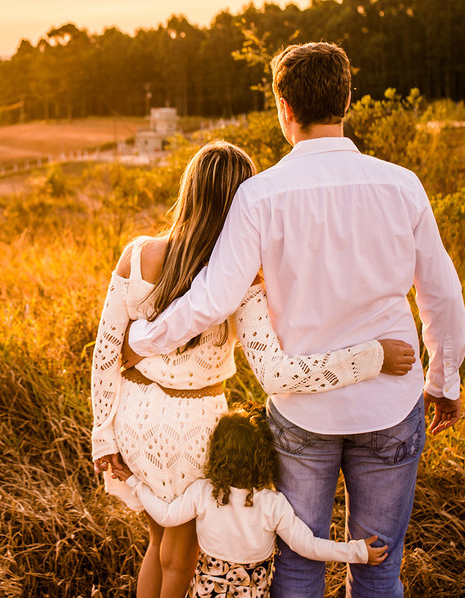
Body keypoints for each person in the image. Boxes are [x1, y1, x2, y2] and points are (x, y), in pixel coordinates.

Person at [126, 42, 465, 598]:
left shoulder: (260, 195)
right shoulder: (402, 184)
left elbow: (213, 299)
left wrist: (143, 340)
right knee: (380, 567)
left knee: (299, 563)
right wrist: (443, 382)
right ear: (348, 100)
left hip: (303, 414)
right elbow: (443, 295)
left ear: (283, 107)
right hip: (391, 402)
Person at [92, 140, 416, 598]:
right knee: (181, 558)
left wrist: (103, 435)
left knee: (158, 542)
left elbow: (106, 352)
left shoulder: (138, 254)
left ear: (189, 191)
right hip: (194, 430)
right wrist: (371, 356)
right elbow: (277, 374)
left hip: (135, 421)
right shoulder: (241, 281)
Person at [114, 405, 388, 597]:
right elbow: (309, 546)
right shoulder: (272, 504)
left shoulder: (204, 492)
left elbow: (165, 515)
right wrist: (357, 552)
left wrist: (135, 483)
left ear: (217, 454)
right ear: (265, 457)